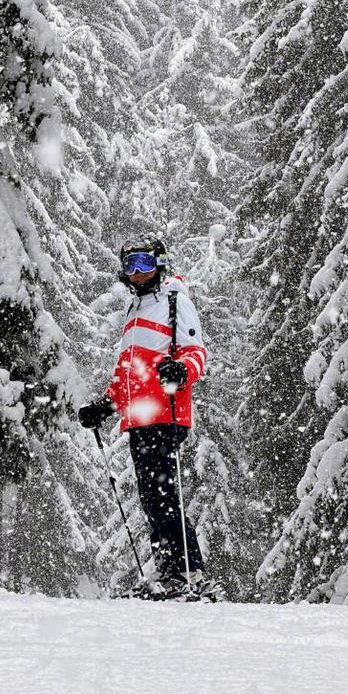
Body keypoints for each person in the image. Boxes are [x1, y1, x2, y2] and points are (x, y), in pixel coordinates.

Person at [78, 235, 207, 590]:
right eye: (130, 265)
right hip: (138, 418)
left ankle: (187, 572)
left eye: (144, 264)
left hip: (166, 411)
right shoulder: (134, 311)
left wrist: (180, 371)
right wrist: (105, 406)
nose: (137, 273)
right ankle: (168, 571)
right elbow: (127, 373)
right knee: (151, 499)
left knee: (163, 496)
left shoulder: (174, 299)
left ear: (159, 264)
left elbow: (196, 353)